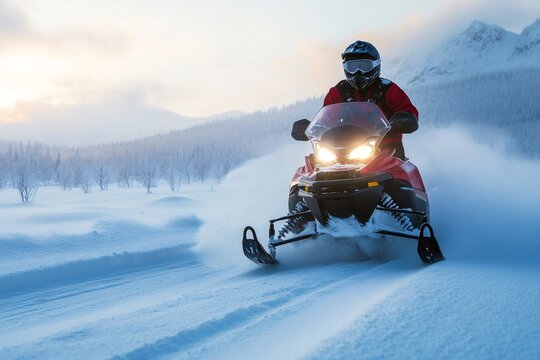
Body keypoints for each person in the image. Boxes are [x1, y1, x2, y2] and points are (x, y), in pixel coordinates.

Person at [323, 40, 419, 160]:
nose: (358, 72)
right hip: (341, 148)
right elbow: (326, 117)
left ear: (375, 65)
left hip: (386, 148)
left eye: (364, 66)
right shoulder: (338, 92)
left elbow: (408, 111)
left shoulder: (388, 89)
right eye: (352, 67)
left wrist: (403, 119)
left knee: (399, 172)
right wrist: (313, 127)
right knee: (311, 167)